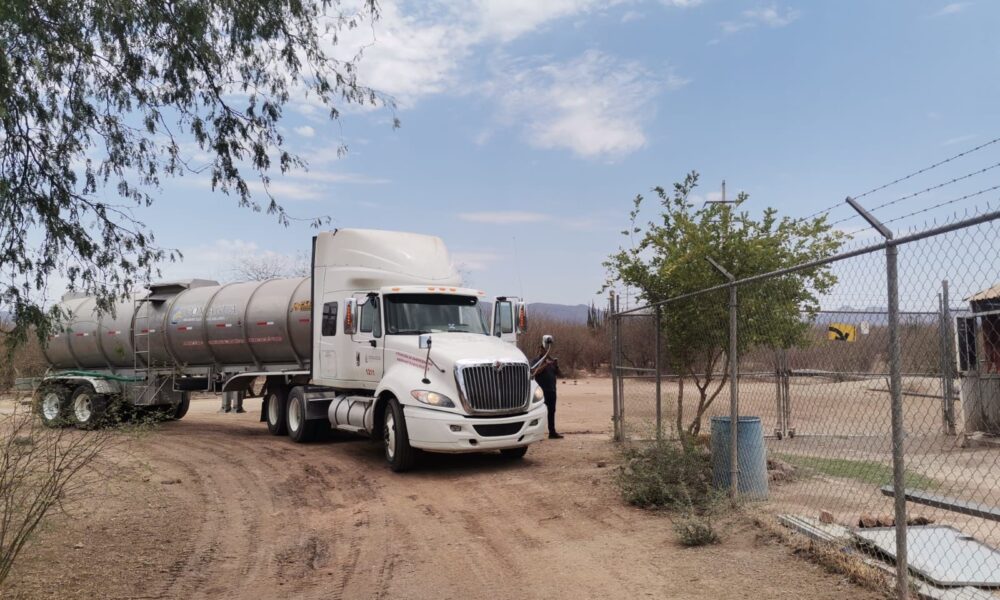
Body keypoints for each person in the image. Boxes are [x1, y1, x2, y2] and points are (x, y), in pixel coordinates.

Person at [532, 345, 563, 439]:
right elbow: (534, 372)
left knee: (552, 411)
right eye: (542, 349)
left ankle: (552, 432)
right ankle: (537, 434)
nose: (544, 352)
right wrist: (545, 365)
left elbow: (560, 374)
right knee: (539, 412)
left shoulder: (551, 361)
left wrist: (556, 365)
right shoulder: (536, 361)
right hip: (541, 391)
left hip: (552, 390)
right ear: (539, 350)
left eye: (546, 350)